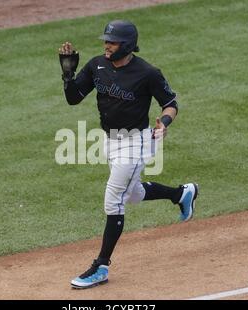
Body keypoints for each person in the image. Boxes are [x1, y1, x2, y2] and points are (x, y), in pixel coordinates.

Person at [58, 20, 199, 289]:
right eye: (106, 41)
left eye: (112, 42)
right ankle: (182, 194)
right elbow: (74, 97)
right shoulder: (97, 64)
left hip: (137, 143)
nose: (106, 45)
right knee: (131, 193)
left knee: (114, 200)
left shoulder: (147, 73)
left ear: (128, 45)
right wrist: (67, 75)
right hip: (110, 141)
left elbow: (170, 104)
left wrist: (164, 123)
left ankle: (100, 266)